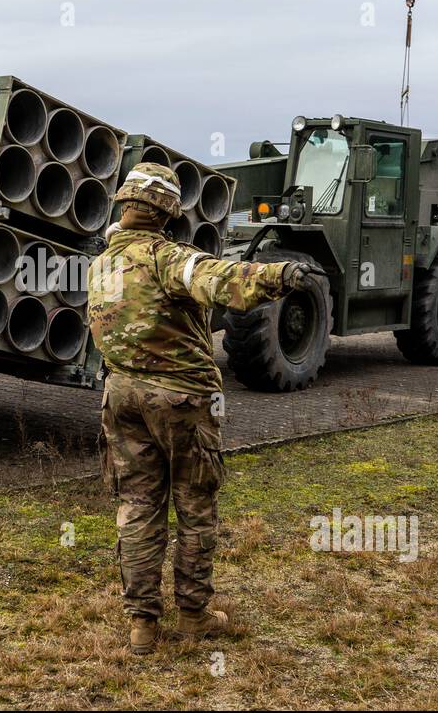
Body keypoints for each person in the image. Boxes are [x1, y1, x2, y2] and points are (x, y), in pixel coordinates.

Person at [86, 162, 312, 654]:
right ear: (167, 211)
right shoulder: (168, 258)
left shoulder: (101, 264)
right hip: (181, 401)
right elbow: (220, 277)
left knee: (138, 506)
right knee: (194, 506)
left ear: (125, 204)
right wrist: (280, 274)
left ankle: (142, 626)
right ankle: (193, 614)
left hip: (120, 395)